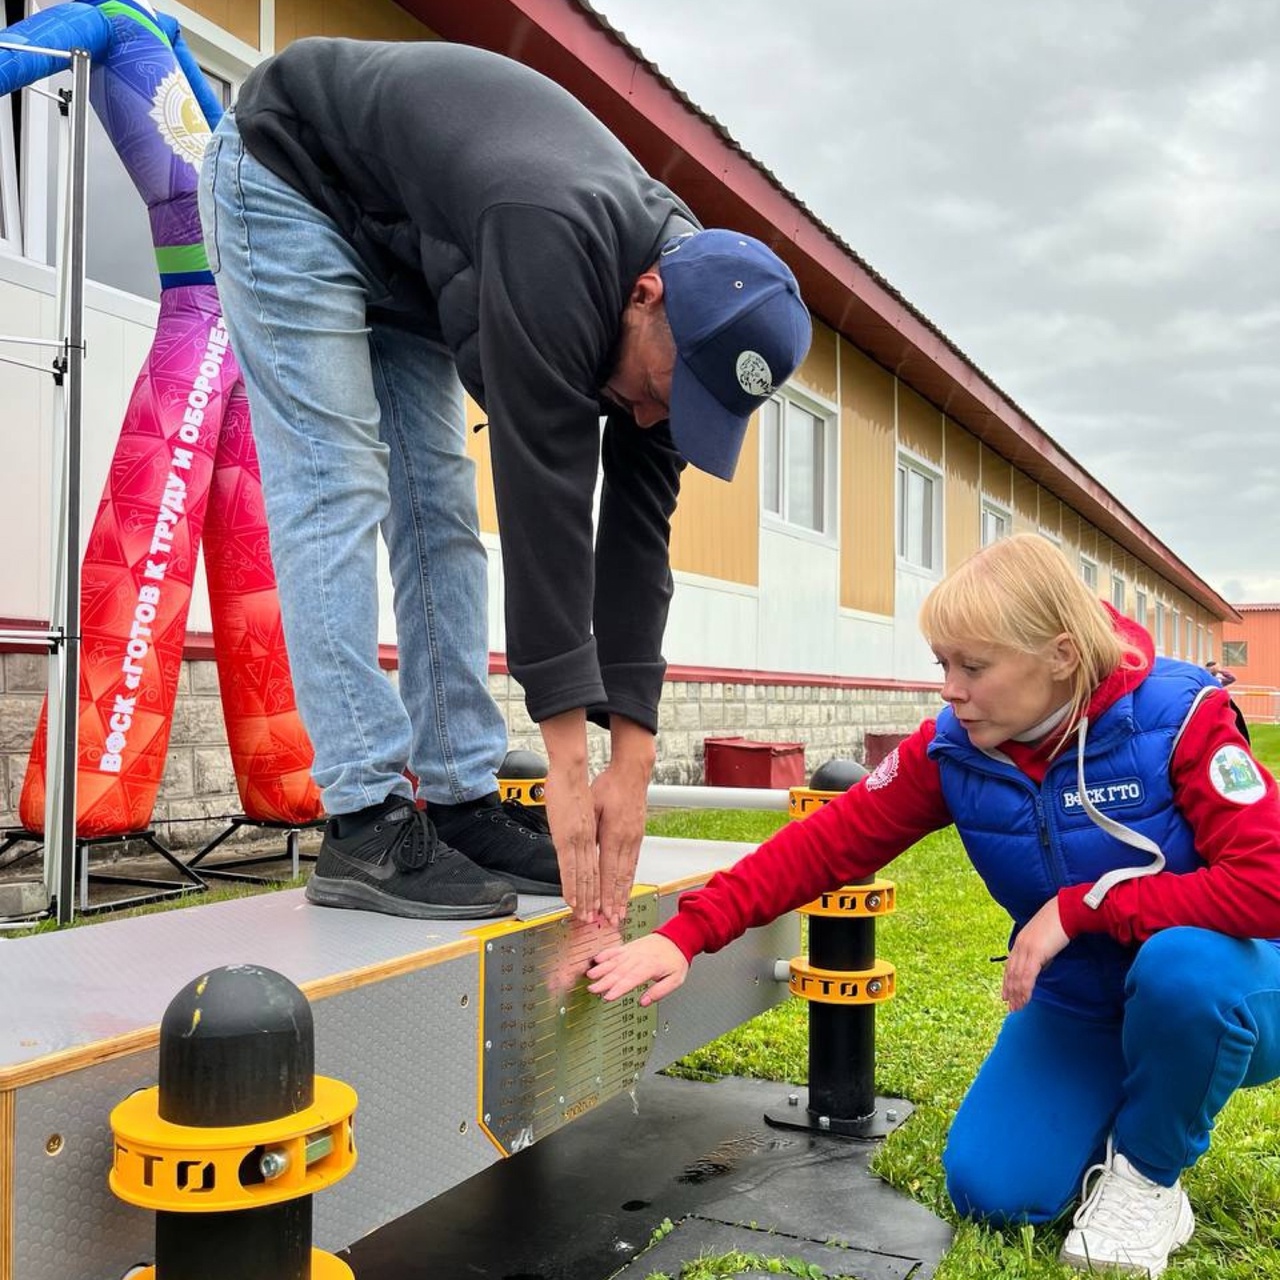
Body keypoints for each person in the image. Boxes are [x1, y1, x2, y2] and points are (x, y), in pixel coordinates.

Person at [198, 40, 811, 924]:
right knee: (336, 485)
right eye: (657, 395)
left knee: (441, 511)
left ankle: (456, 800)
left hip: (408, 244)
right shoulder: (555, 240)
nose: (648, 420)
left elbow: (637, 542)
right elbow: (546, 508)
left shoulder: (693, 327)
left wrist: (632, 757)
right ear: (645, 296)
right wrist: (567, 768)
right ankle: (364, 818)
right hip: (289, 176)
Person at [588, 533, 1280, 1278]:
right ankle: (1122, 1103)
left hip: (1229, 984)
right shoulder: (954, 749)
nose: (949, 689)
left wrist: (1083, 909)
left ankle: (1148, 1177)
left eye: (973, 667)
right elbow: (824, 846)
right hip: (1083, 1003)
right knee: (994, 1189)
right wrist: (688, 934)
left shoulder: (1180, 716)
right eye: (943, 664)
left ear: (1061, 657)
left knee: (1181, 971)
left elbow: (1268, 886)